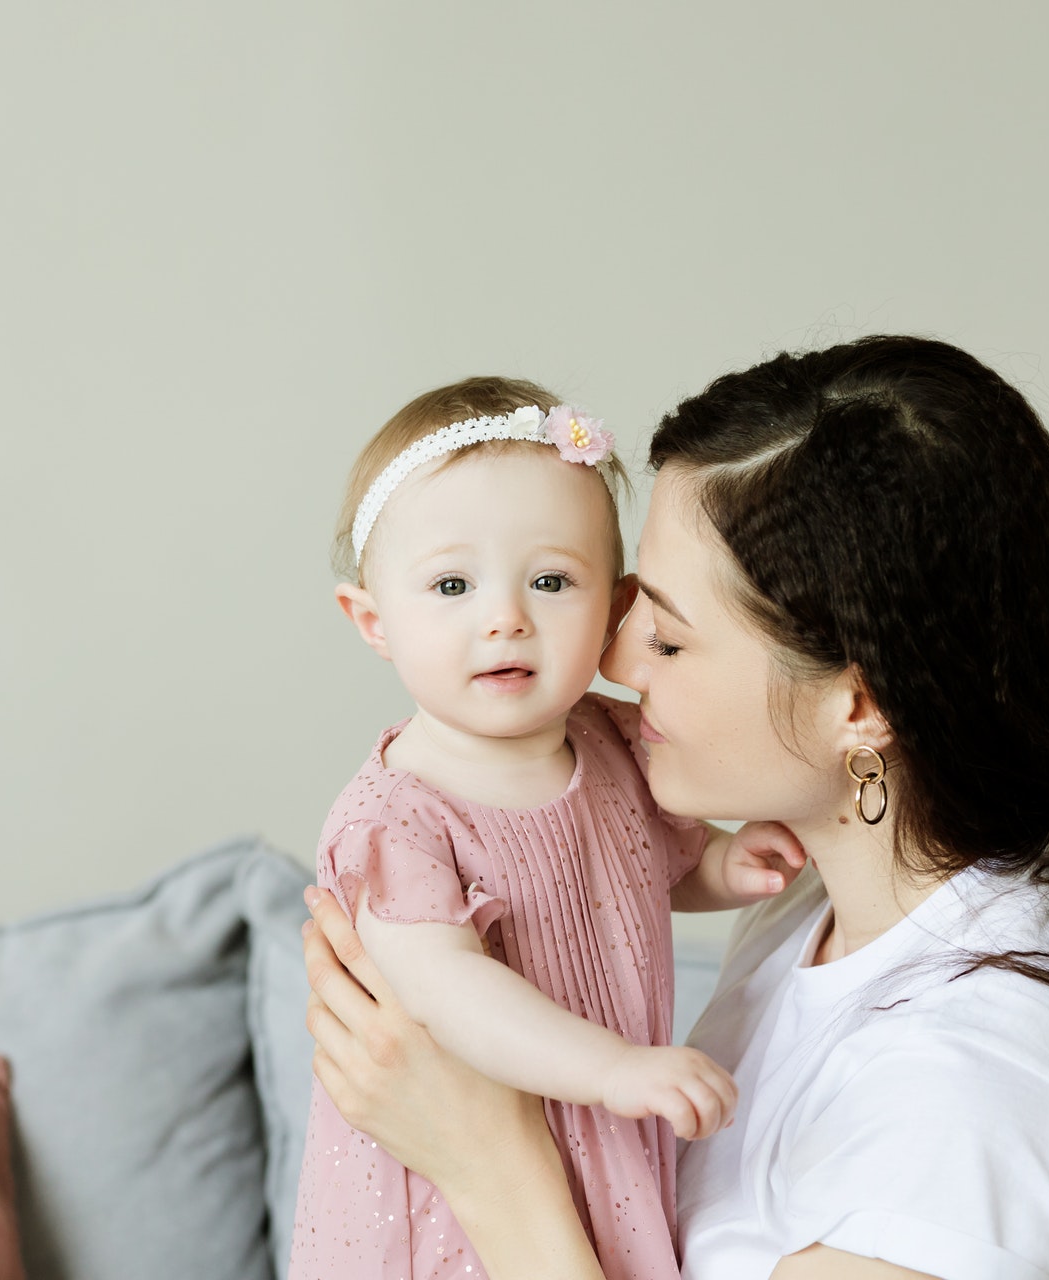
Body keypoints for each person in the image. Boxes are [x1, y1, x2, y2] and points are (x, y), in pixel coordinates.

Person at [300, 338, 1049, 1279]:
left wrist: (490, 1162)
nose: (608, 662)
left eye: (663, 635)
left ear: (857, 702)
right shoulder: (818, 911)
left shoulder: (965, 1106)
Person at [292, 377, 807, 1280]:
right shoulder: (395, 819)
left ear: (615, 609)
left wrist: (725, 865)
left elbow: (642, 869)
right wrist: (612, 1068)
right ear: (372, 621)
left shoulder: (611, 742)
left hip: (599, 1140)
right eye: (452, 584)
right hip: (452, 1179)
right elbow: (446, 990)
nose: (505, 617)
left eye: (551, 580)